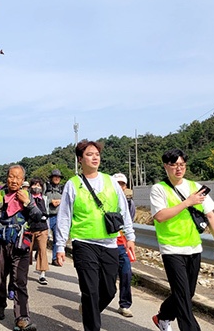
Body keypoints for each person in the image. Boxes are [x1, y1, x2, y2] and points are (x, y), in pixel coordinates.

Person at [54, 140, 136, 331]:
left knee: (109, 290)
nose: (95, 157)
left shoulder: (111, 182)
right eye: (90, 154)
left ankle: (90, 309)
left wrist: (130, 237)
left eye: (97, 154)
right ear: (80, 159)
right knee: (90, 290)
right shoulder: (73, 184)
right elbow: (64, 216)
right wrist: (59, 246)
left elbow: (123, 210)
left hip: (109, 243)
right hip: (83, 243)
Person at [150, 149, 214, 331]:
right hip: (172, 249)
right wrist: (187, 203)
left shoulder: (195, 187)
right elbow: (160, 216)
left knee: (187, 293)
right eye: (174, 165)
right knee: (183, 296)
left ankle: (163, 316)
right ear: (165, 166)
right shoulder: (159, 189)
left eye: (182, 165)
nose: (179, 168)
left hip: (193, 248)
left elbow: (211, 216)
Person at [0, 165, 43, 331]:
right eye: (11, 176)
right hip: (1, 244)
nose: (14, 180)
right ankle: (0, 306)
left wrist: (28, 203)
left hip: (21, 246)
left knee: (20, 282)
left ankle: (22, 317)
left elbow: (38, 218)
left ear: (23, 180)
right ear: (6, 177)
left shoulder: (28, 196)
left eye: (18, 178)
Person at [111, 173, 136, 318]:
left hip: (123, 244)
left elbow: (129, 222)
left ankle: (125, 305)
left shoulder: (130, 203)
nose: (120, 186)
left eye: (122, 184)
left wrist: (130, 240)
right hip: (108, 243)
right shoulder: (107, 200)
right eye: (117, 183)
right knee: (108, 277)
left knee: (126, 273)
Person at [27, 178, 50, 285]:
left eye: (39, 185)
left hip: (43, 228)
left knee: (42, 251)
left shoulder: (44, 198)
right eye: (34, 185)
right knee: (27, 251)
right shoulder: (27, 198)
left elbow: (47, 213)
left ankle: (42, 274)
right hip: (30, 229)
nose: (37, 187)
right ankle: (23, 271)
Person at [44, 169, 65, 266]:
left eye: (58, 177)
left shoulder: (62, 188)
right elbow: (41, 199)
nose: (57, 178)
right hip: (47, 216)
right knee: (44, 238)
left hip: (58, 217)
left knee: (57, 238)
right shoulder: (46, 187)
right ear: (51, 177)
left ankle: (55, 259)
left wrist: (61, 202)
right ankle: (41, 255)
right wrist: (50, 201)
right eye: (55, 176)